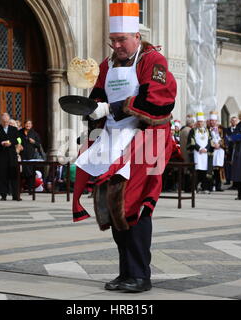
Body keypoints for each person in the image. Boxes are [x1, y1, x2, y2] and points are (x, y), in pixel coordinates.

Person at [72, 2, 177, 293]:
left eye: (121, 40)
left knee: (137, 205)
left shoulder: (153, 60)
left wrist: (113, 108)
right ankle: (125, 272)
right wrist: (90, 119)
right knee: (113, 203)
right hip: (113, 141)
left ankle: (140, 275)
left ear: (136, 37)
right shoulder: (106, 65)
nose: (116, 45)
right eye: (113, 41)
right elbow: (96, 102)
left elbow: (159, 101)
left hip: (147, 141)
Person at [0, 113, 21, 201]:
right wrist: (1, 143)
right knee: (3, 176)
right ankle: (3, 195)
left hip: (12, 155)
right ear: (1, 121)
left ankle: (16, 195)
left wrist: (11, 143)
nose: (5, 123)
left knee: (14, 176)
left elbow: (18, 139)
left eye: (7, 121)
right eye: (4, 121)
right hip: (1, 155)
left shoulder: (14, 129)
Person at [187, 112, 213, 194]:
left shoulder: (207, 131)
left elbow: (210, 141)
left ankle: (205, 188)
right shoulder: (193, 131)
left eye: (201, 122)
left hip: (205, 154)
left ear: (203, 122)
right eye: (198, 122)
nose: (200, 123)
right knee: (196, 171)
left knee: (205, 172)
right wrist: (199, 148)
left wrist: (206, 149)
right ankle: (194, 188)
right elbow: (191, 141)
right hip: (196, 154)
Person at [18, 120, 43, 191]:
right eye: (26, 123)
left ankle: (30, 187)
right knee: (22, 171)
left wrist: (34, 142)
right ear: (24, 124)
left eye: (29, 124)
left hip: (31, 155)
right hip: (22, 154)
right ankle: (22, 187)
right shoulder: (20, 132)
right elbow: (17, 139)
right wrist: (19, 144)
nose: (27, 125)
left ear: (31, 125)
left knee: (30, 171)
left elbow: (39, 144)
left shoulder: (34, 134)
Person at [209, 111, 226, 192]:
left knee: (219, 168)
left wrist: (219, 144)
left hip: (219, 151)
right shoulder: (207, 129)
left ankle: (218, 186)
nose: (212, 122)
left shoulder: (221, 129)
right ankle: (211, 185)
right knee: (211, 169)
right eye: (211, 120)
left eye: (214, 121)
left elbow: (225, 139)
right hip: (212, 150)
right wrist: (212, 144)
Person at [224, 116, 239, 188]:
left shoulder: (238, 129)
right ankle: (228, 180)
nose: (233, 122)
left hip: (235, 149)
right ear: (230, 121)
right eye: (232, 121)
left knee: (235, 166)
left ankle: (234, 181)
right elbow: (225, 138)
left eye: (235, 121)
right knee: (228, 165)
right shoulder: (227, 129)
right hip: (228, 149)